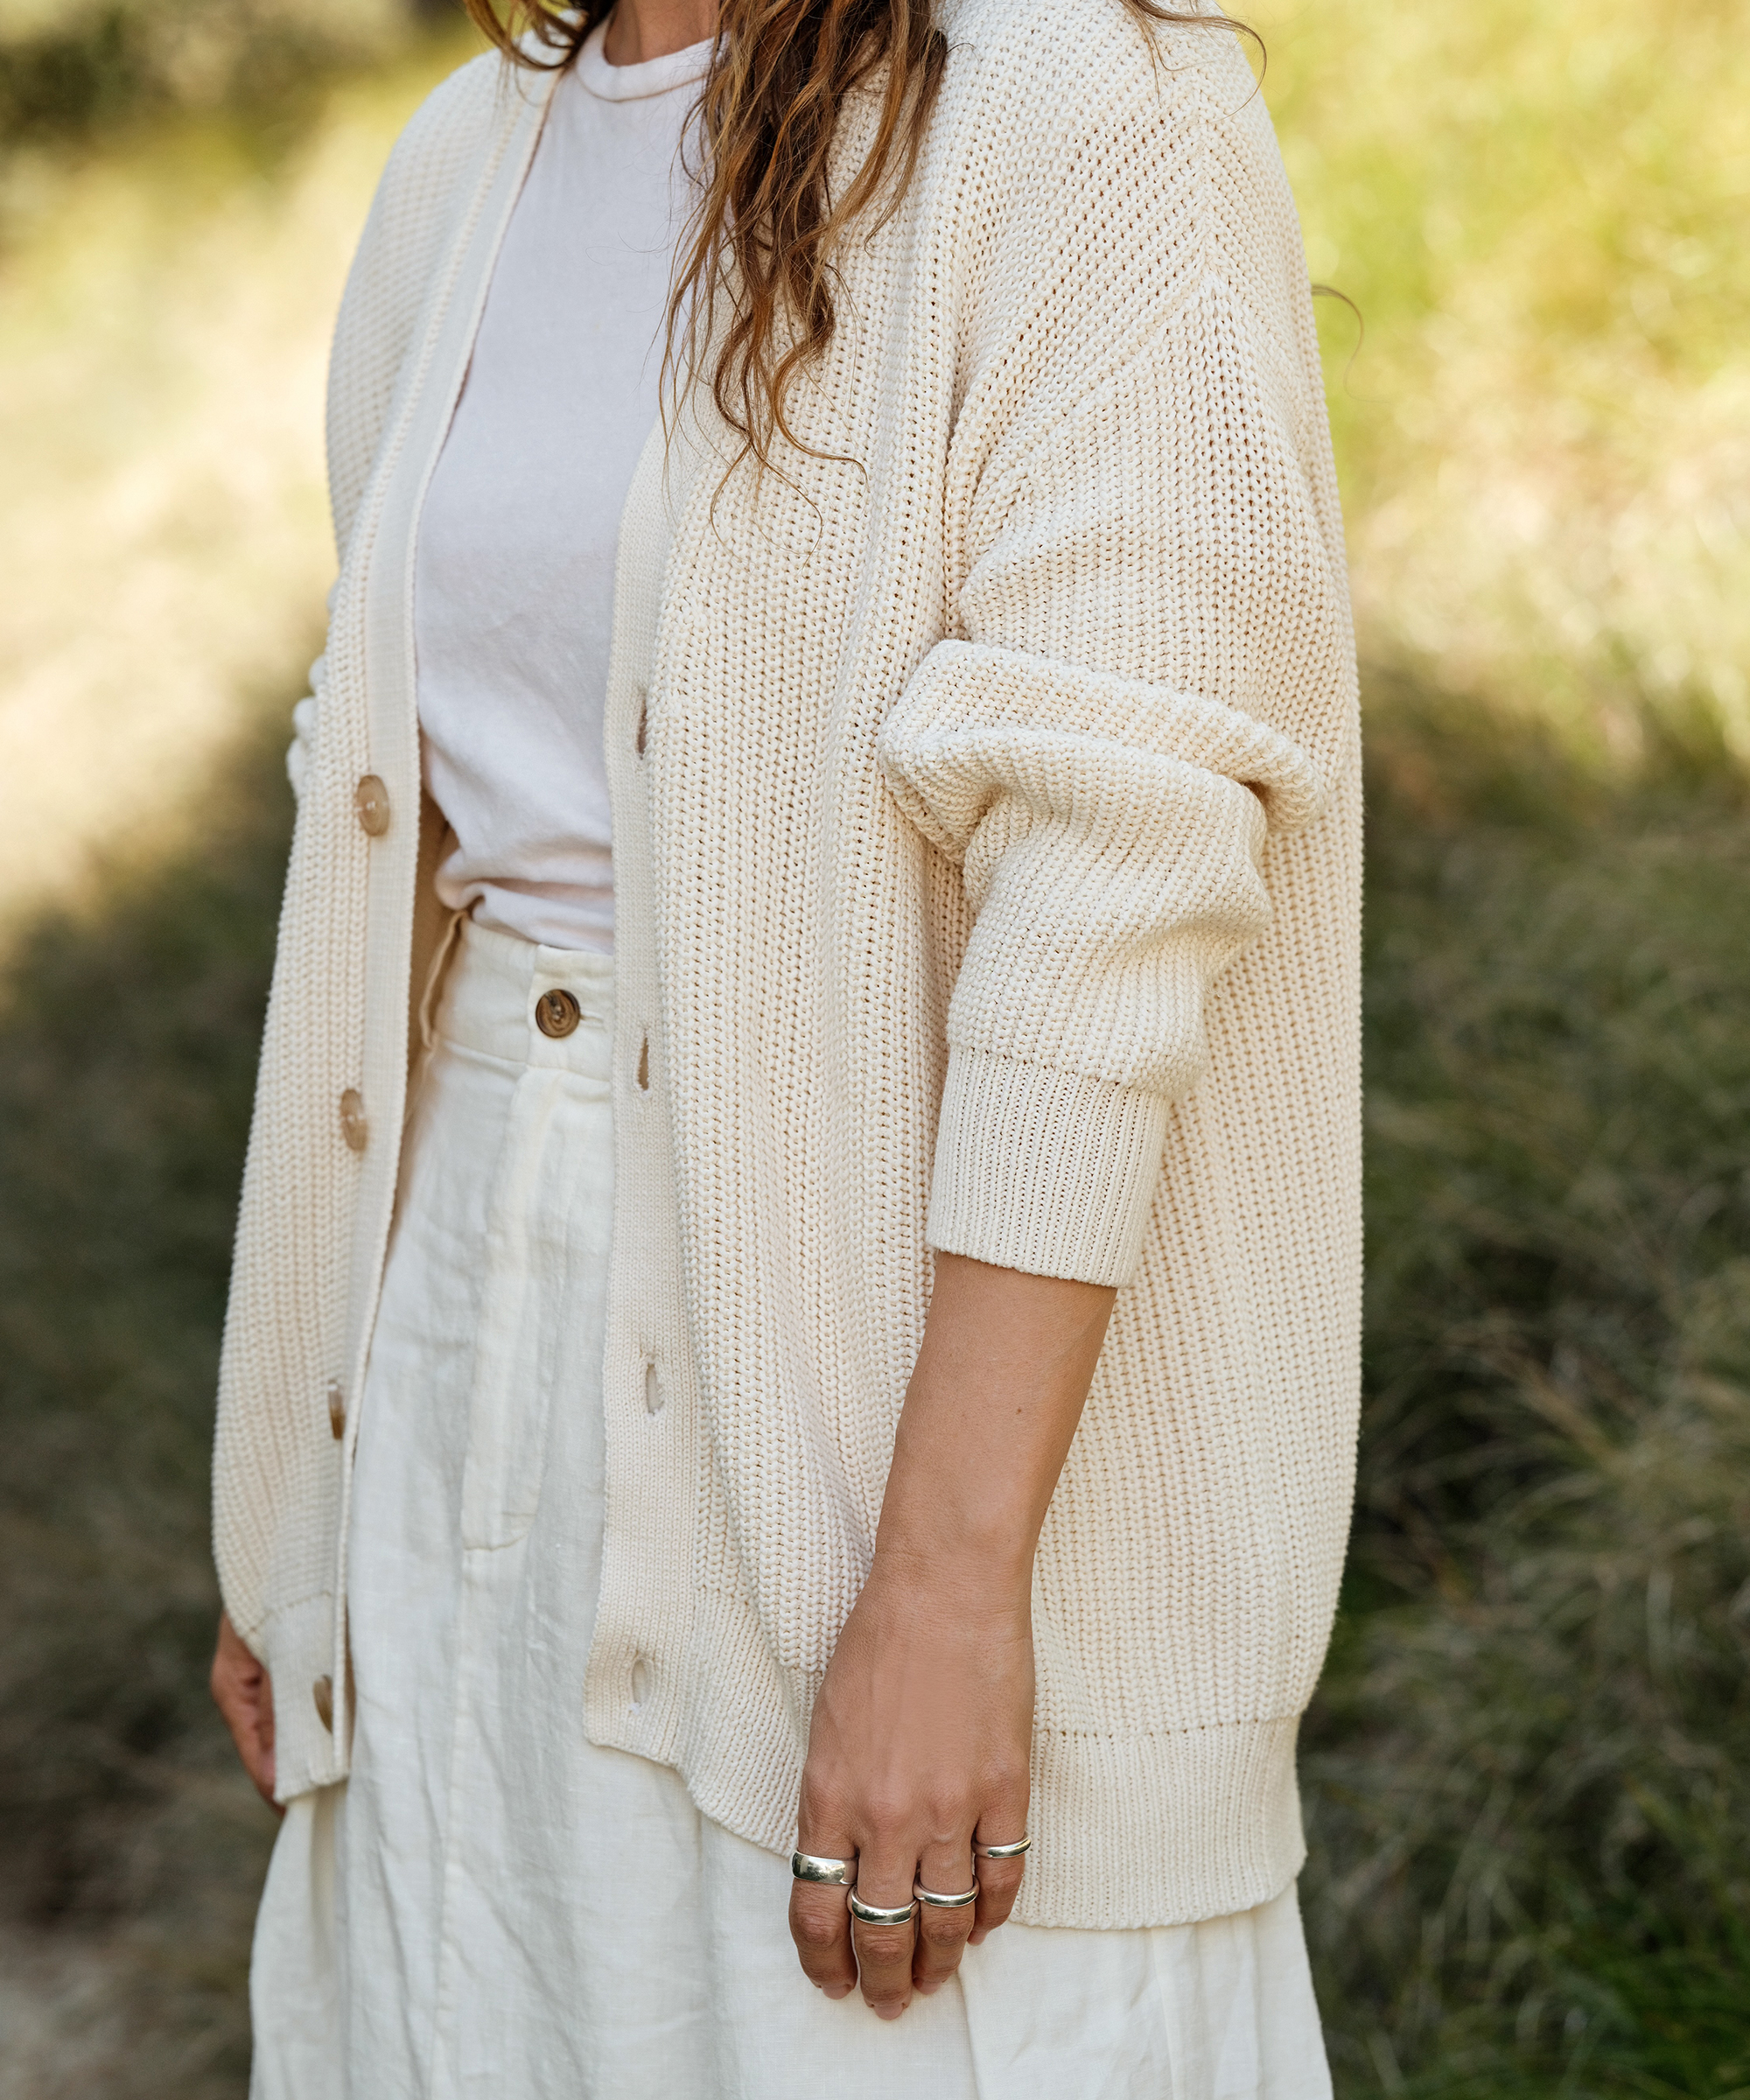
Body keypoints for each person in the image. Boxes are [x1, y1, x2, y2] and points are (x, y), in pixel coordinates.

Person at [208, 0, 1362, 2088]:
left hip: (873, 1375)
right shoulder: (466, 160)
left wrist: (944, 1590)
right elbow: (377, 826)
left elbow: (1117, 882)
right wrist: (302, 1484)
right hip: (470, 1337)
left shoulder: (1081, 110)